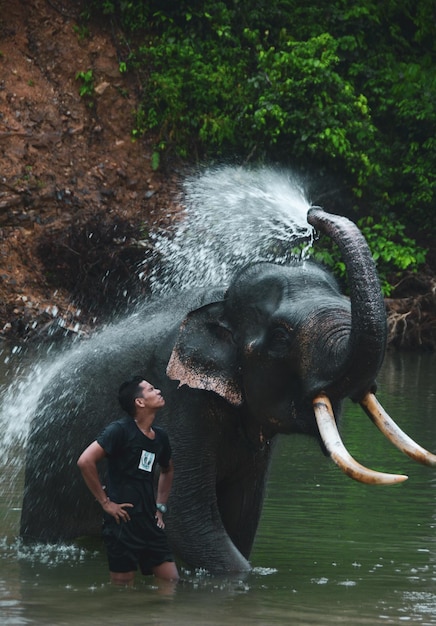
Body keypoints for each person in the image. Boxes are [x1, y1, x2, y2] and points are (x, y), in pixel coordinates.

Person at [77, 376, 179, 585]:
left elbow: (168, 470)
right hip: (122, 522)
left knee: (171, 582)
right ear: (139, 402)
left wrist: (160, 507)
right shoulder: (119, 431)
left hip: (150, 522)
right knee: (122, 589)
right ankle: (125, 618)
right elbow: (85, 461)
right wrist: (106, 503)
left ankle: (161, 618)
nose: (158, 391)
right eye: (151, 389)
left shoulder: (160, 437)